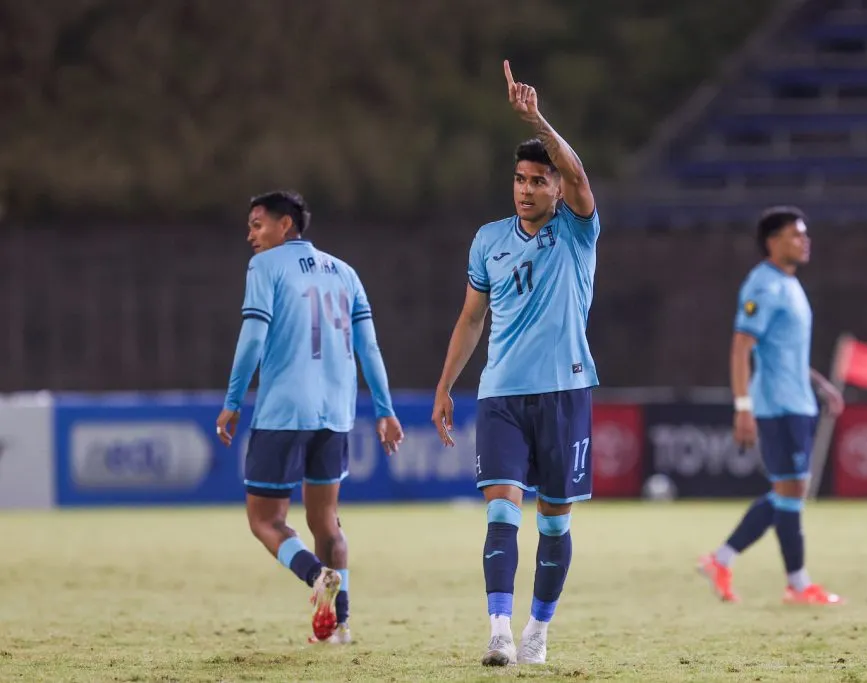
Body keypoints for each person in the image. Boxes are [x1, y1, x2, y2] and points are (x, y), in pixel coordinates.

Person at [431, 61, 600, 667]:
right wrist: (447, 385)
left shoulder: (579, 231)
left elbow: (581, 177)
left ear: (556, 188)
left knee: (553, 523)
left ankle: (539, 629)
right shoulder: (488, 240)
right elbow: (472, 317)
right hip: (501, 393)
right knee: (502, 506)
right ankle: (499, 628)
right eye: (520, 179)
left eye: (538, 180)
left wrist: (536, 119)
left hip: (565, 390)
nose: (526, 188)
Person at [216, 190, 404, 644]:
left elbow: (252, 338)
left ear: (286, 226)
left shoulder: (266, 267)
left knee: (265, 521)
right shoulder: (346, 272)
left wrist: (233, 400)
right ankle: (338, 627)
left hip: (284, 410)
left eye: (257, 224)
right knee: (327, 522)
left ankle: (316, 575)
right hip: (336, 413)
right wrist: (384, 409)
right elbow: (369, 348)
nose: (250, 235)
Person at [698, 206, 845, 605]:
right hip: (777, 404)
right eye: (796, 234)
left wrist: (820, 384)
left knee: (789, 491)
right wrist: (742, 406)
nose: (805, 240)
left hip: (798, 400)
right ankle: (796, 584)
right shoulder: (762, 286)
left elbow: (784, 350)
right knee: (792, 490)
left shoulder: (789, 284)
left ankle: (722, 560)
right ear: (772, 241)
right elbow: (741, 347)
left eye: (804, 234)